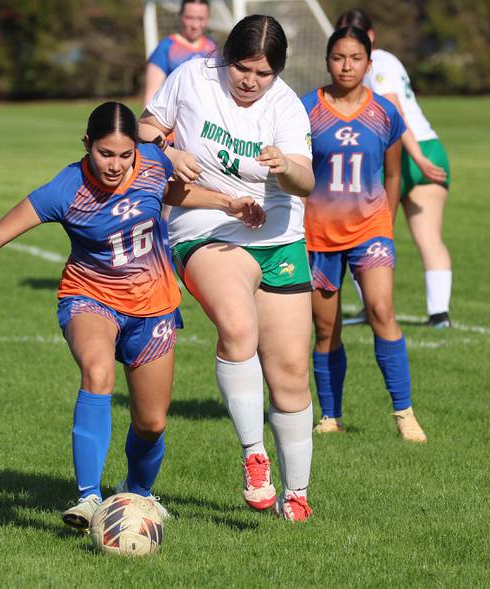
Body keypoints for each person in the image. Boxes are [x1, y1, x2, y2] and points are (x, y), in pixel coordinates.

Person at [0, 102, 264, 531]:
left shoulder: (152, 162)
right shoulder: (64, 190)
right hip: (89, 297)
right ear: (86, 146)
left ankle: (138, 494)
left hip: (154, 306)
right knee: (97, 372)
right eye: (104, 154)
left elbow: (169, 192)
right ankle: (89, 497)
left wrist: (226, 203)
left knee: (151, 423)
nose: (115, 165)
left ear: (136, 150)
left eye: (124, 154)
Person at [139, 15, 317, 522]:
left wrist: (285, 165)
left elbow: (306, 182)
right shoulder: (192, 78)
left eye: (262, 74)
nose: (249, 81)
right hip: (206, 226)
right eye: (242, 68)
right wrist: (167, 151)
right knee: (238, 327)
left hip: (279, 238)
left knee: (289, 373)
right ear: (226, 59)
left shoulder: (284, 105)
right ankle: (254, 454)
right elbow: (144, 131)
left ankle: (297, 492)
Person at [300, 26, 427, 442]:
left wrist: (384, 224)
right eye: (338, 57)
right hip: (317, 234)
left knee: (380, 310)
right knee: (325, 329)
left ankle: (404, 413)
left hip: (371, 230)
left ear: (369, 64)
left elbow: (393, 173)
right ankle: (330, 416)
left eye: (356, 58)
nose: (347, 65)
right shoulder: (306, 110)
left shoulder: (385, 112)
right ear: (327, 61)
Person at [337, 9, 454, 328]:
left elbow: (395, 113)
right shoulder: (389, 60)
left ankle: (372, 308)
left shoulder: (378, 64)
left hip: (409, 153)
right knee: (426, 238)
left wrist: (418, 160)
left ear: (370, 37)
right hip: (428, 145)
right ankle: (438, 316)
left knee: (361, 235)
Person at [143, 0, 217, 107]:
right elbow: (151, 95)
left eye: (201, 18)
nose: (195, 25)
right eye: (189, 18)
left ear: (208, 19)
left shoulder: (212, 47)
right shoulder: (165, 47)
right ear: (180, 16)